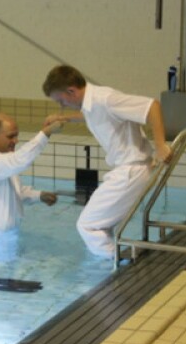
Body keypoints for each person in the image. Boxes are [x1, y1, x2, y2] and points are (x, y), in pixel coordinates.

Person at [41, 65, 172, 259]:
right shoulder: (91, 103)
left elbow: (152, 106)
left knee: (87, 226)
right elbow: (91, 115)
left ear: (71, 91)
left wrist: (160, 145)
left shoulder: (106, 99)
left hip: (130, 171)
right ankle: (116, 260)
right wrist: (64, 118)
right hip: (127, 170)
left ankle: (117, 263)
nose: (62, 105)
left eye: (61, 100)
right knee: (101, 225)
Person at [0, 113, 62, 271]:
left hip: (5, 235)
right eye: (10, 136)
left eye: (16, 136)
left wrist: (38, 195)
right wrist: (45, 133)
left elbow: (15, 191)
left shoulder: (3, 159)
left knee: (6, 277)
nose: (15, 141)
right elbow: (19, 160)